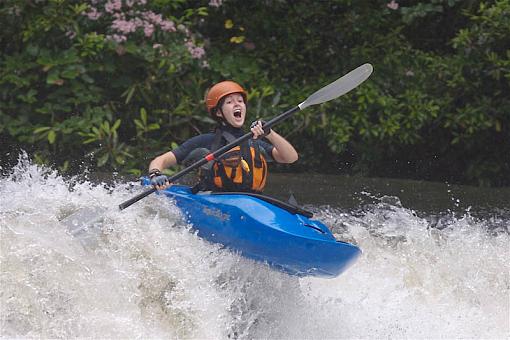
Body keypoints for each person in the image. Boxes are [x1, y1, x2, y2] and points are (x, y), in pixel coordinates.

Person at [148, 80, 298, 193]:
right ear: (219, 112)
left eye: (240, 101)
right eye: (230, 102)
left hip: (254, 203)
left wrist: (270, 134)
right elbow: (160, 160)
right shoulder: (205, 141)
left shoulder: (254, 143)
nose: (237, 105)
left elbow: (291, 158)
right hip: (216, 202)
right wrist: (156, 174)